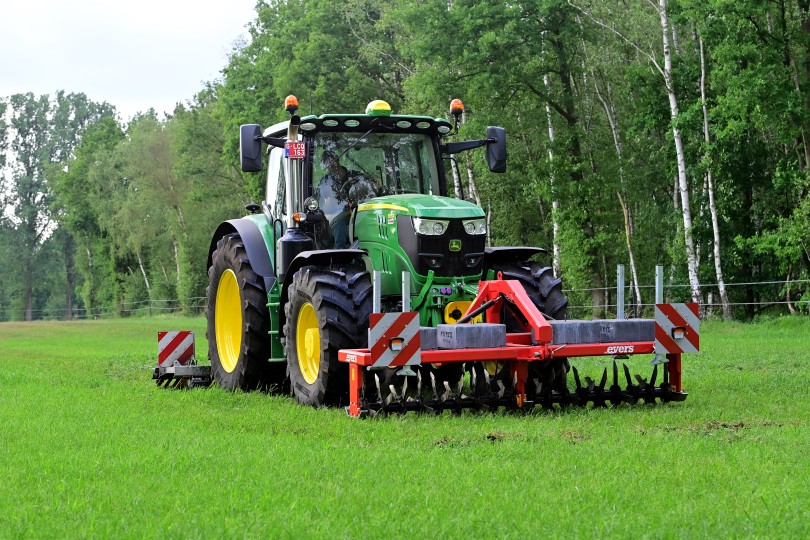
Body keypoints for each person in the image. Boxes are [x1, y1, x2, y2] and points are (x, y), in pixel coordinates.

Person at [316, 150, 383, 248]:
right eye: (327, 163)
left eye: (331, 161)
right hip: (339, 213)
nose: (330, 165)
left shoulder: (355, 175)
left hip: (361, 209)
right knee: (339, 225)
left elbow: (369, 187)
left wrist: (375, 182)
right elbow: (328, 205)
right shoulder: (326, 181)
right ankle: (339, 255)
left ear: (337, 160)